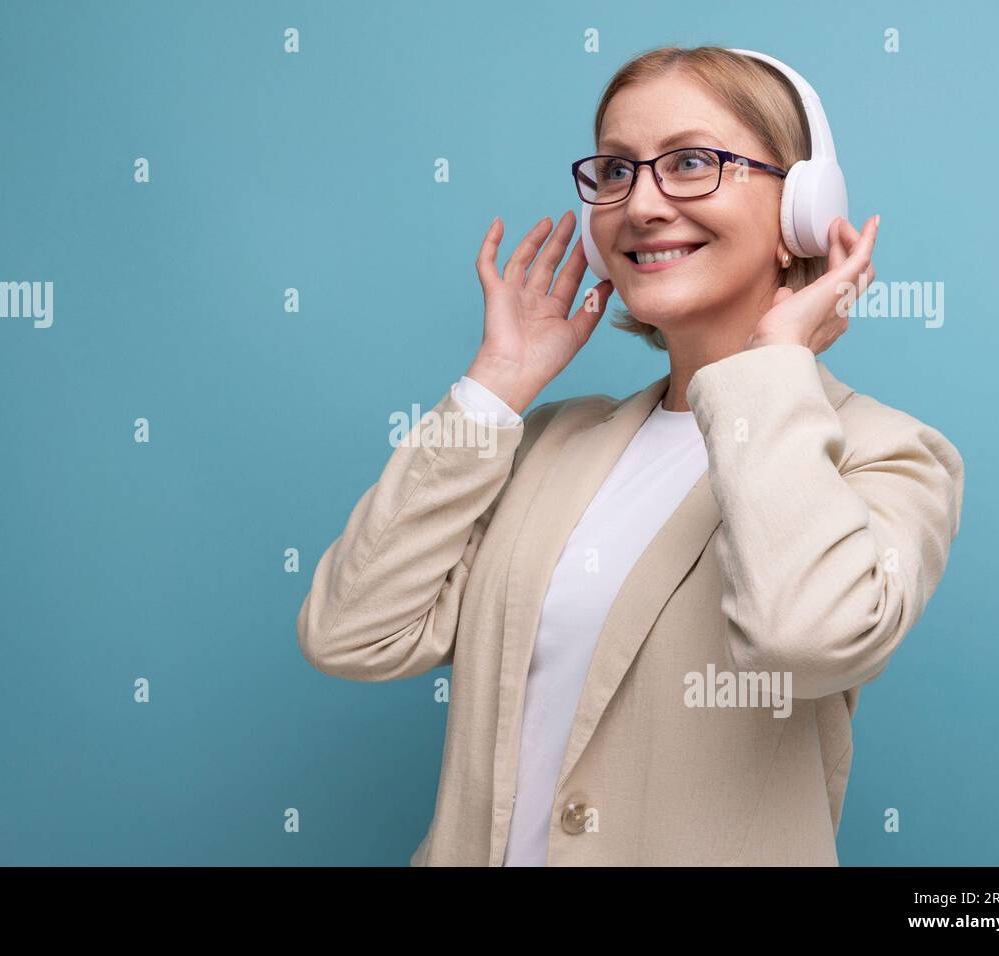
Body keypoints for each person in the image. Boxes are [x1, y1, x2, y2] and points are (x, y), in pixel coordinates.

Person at [296, 45, 965, 866]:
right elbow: (351, 633)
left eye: (690, 163)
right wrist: (495, 386)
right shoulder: (548, 440)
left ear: (800, 212)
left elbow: (803, 639)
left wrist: (772, 367)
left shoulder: (888, 454)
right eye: (615, 172)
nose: (641, 204)